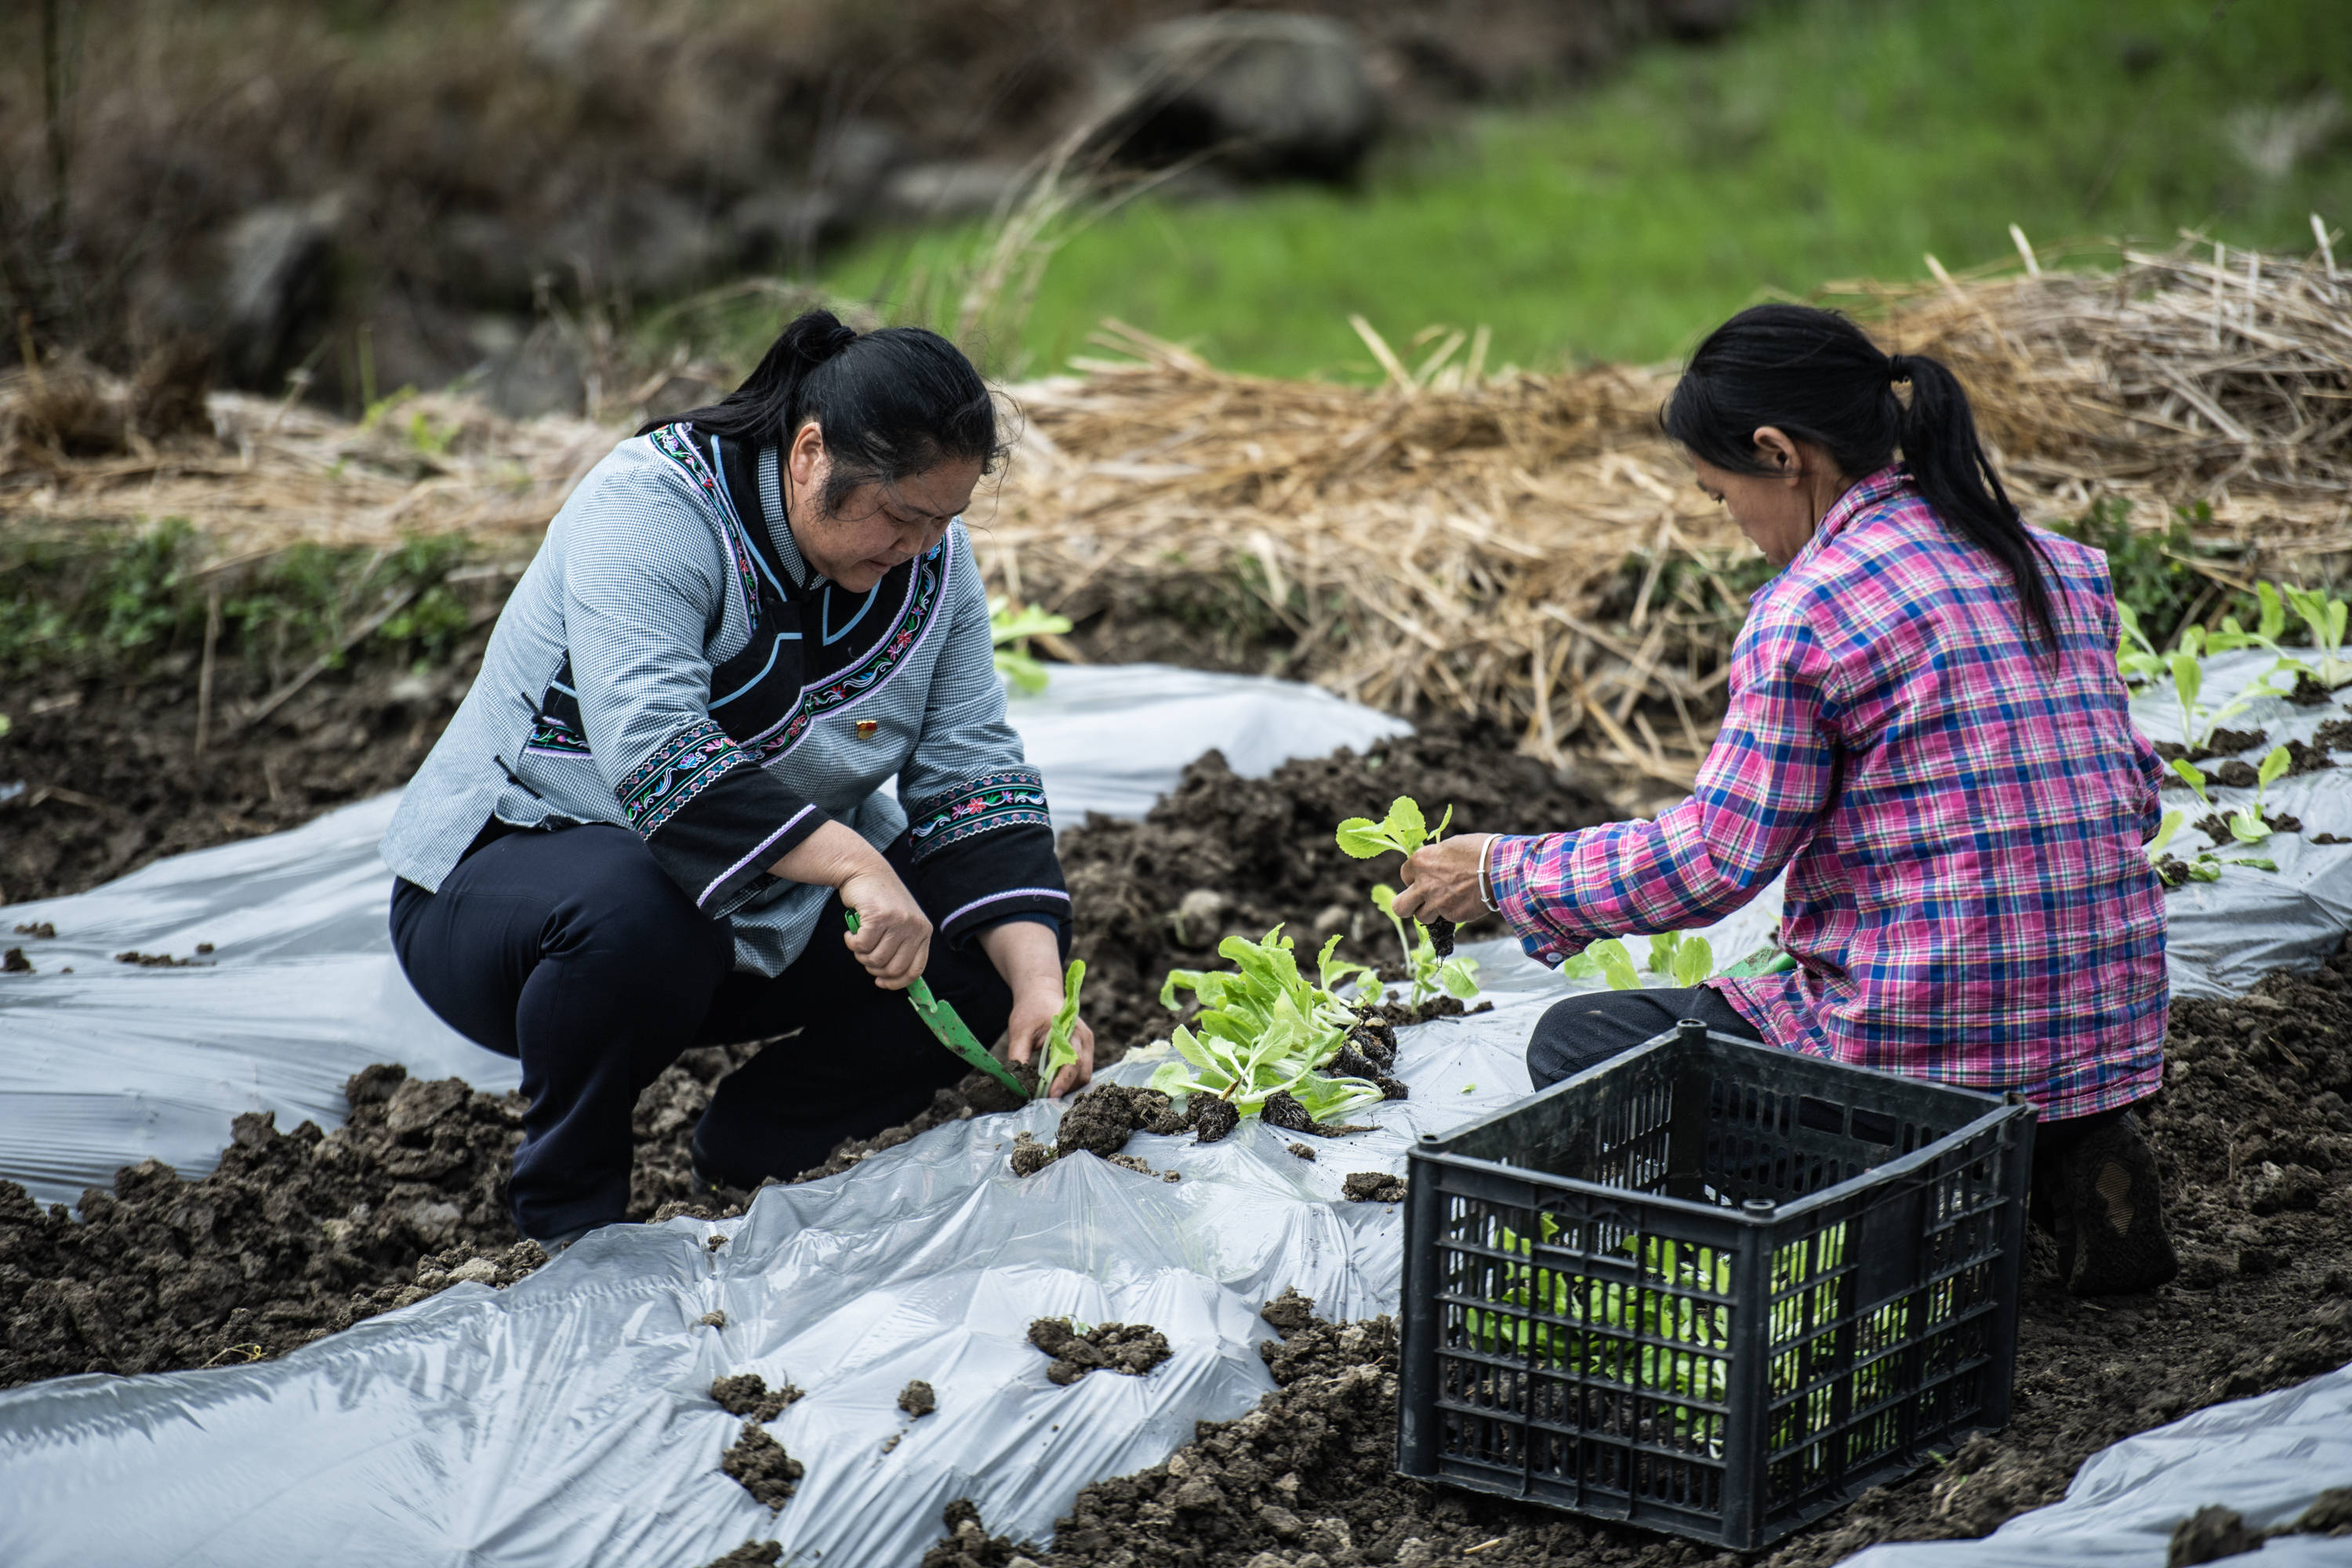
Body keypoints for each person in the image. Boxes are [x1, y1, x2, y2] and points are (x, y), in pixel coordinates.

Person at [1392, 303, 2176, 1297]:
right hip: (2105, 1033)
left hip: (1924, 1051)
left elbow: (1712, 860)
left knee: (1586, 1040)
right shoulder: (2054, 562)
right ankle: (2075, 1146)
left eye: (1721, 496)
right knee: (1830, 974)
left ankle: (1899, 1196)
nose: (1736, 528)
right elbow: (2135, 793)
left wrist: (1506, 871)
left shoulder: (1811, 607)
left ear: (1777, 452)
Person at [382, 310, 1091, 1249]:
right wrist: (851, 862)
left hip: (750, 912)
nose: (922, 546)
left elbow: (972, 767)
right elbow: (656, 753)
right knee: (636, 909)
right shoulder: (651, 504)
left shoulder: (930, 562)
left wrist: (1041, 982)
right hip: (514, 895)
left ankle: (763, 1145)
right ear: (809, 453)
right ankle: (566, 1217)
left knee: (986, 946)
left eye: (944, 520)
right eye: (902, 515)